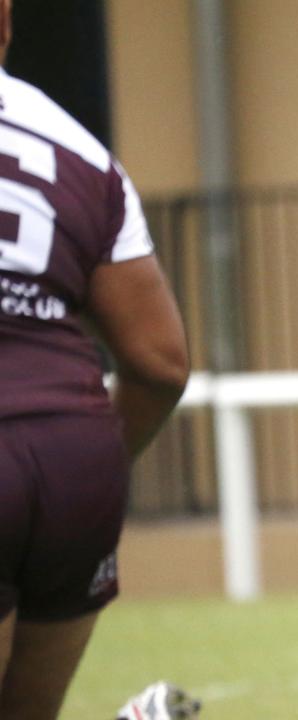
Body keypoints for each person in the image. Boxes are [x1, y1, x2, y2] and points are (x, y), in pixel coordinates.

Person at [0, 0, 190, 717]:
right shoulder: (81, 149)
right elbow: (162, 364)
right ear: (6, 22)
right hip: (76, 459)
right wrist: (93, 462)